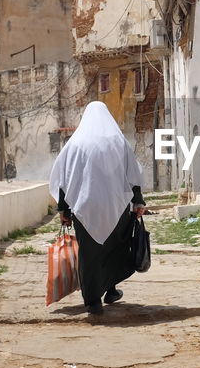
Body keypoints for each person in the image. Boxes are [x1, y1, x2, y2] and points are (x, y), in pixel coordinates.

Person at [49, 102, 146, 314]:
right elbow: (133, 175)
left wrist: (63, 210)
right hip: (116, 207)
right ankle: (110, 289)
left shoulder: (74, 144)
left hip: (85, 209)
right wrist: (138, 202)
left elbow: (64, 179)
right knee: (114, 248)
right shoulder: (117, 141)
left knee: (89, 253)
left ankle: (93, 300)